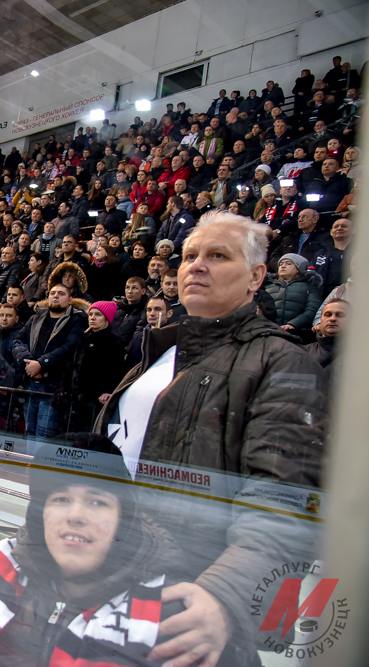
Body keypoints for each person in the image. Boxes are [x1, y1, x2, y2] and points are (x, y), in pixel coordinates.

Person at [95, 211, 327, 667]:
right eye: (188, 256)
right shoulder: (159, 352)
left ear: (257, 276)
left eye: (217, 255)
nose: (195, 266)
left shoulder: (283, 362)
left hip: (197, 603)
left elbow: (282, 500)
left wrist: (224, 595)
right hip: (125, 579)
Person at [0, 437, 189, 667]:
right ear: (40, 513)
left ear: (123, 518)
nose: (75, 516)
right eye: (61, 499)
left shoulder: (163, 608)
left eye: (97, 502)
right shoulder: (5, 562)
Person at [11, 284, 87, 442]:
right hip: (31, 383)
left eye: (61, 293)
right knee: (29, 432)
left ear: (70, 299)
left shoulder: (77, 320)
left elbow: (69, 347)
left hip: (54, 387)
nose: (56, 296)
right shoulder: (35, 318)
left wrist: (41, 364)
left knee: (44, 436)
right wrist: (29, 363)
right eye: (52, 293)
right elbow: (18, 341)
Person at [57, 301, 125, 433]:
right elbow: (72, 366)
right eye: (90, 314)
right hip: (75, 401)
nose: (92, 317)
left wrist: (107, 391)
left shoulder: (114, 341)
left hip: (96, 403)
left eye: (98, 315)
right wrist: (64, 389)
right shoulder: (84, 339)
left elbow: (117, 371)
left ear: (107, 318)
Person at [305, 298, 347, 381]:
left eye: (340, 315)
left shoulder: (362, 357)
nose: (332, 319)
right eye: (328, 314)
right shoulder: (302, 352)